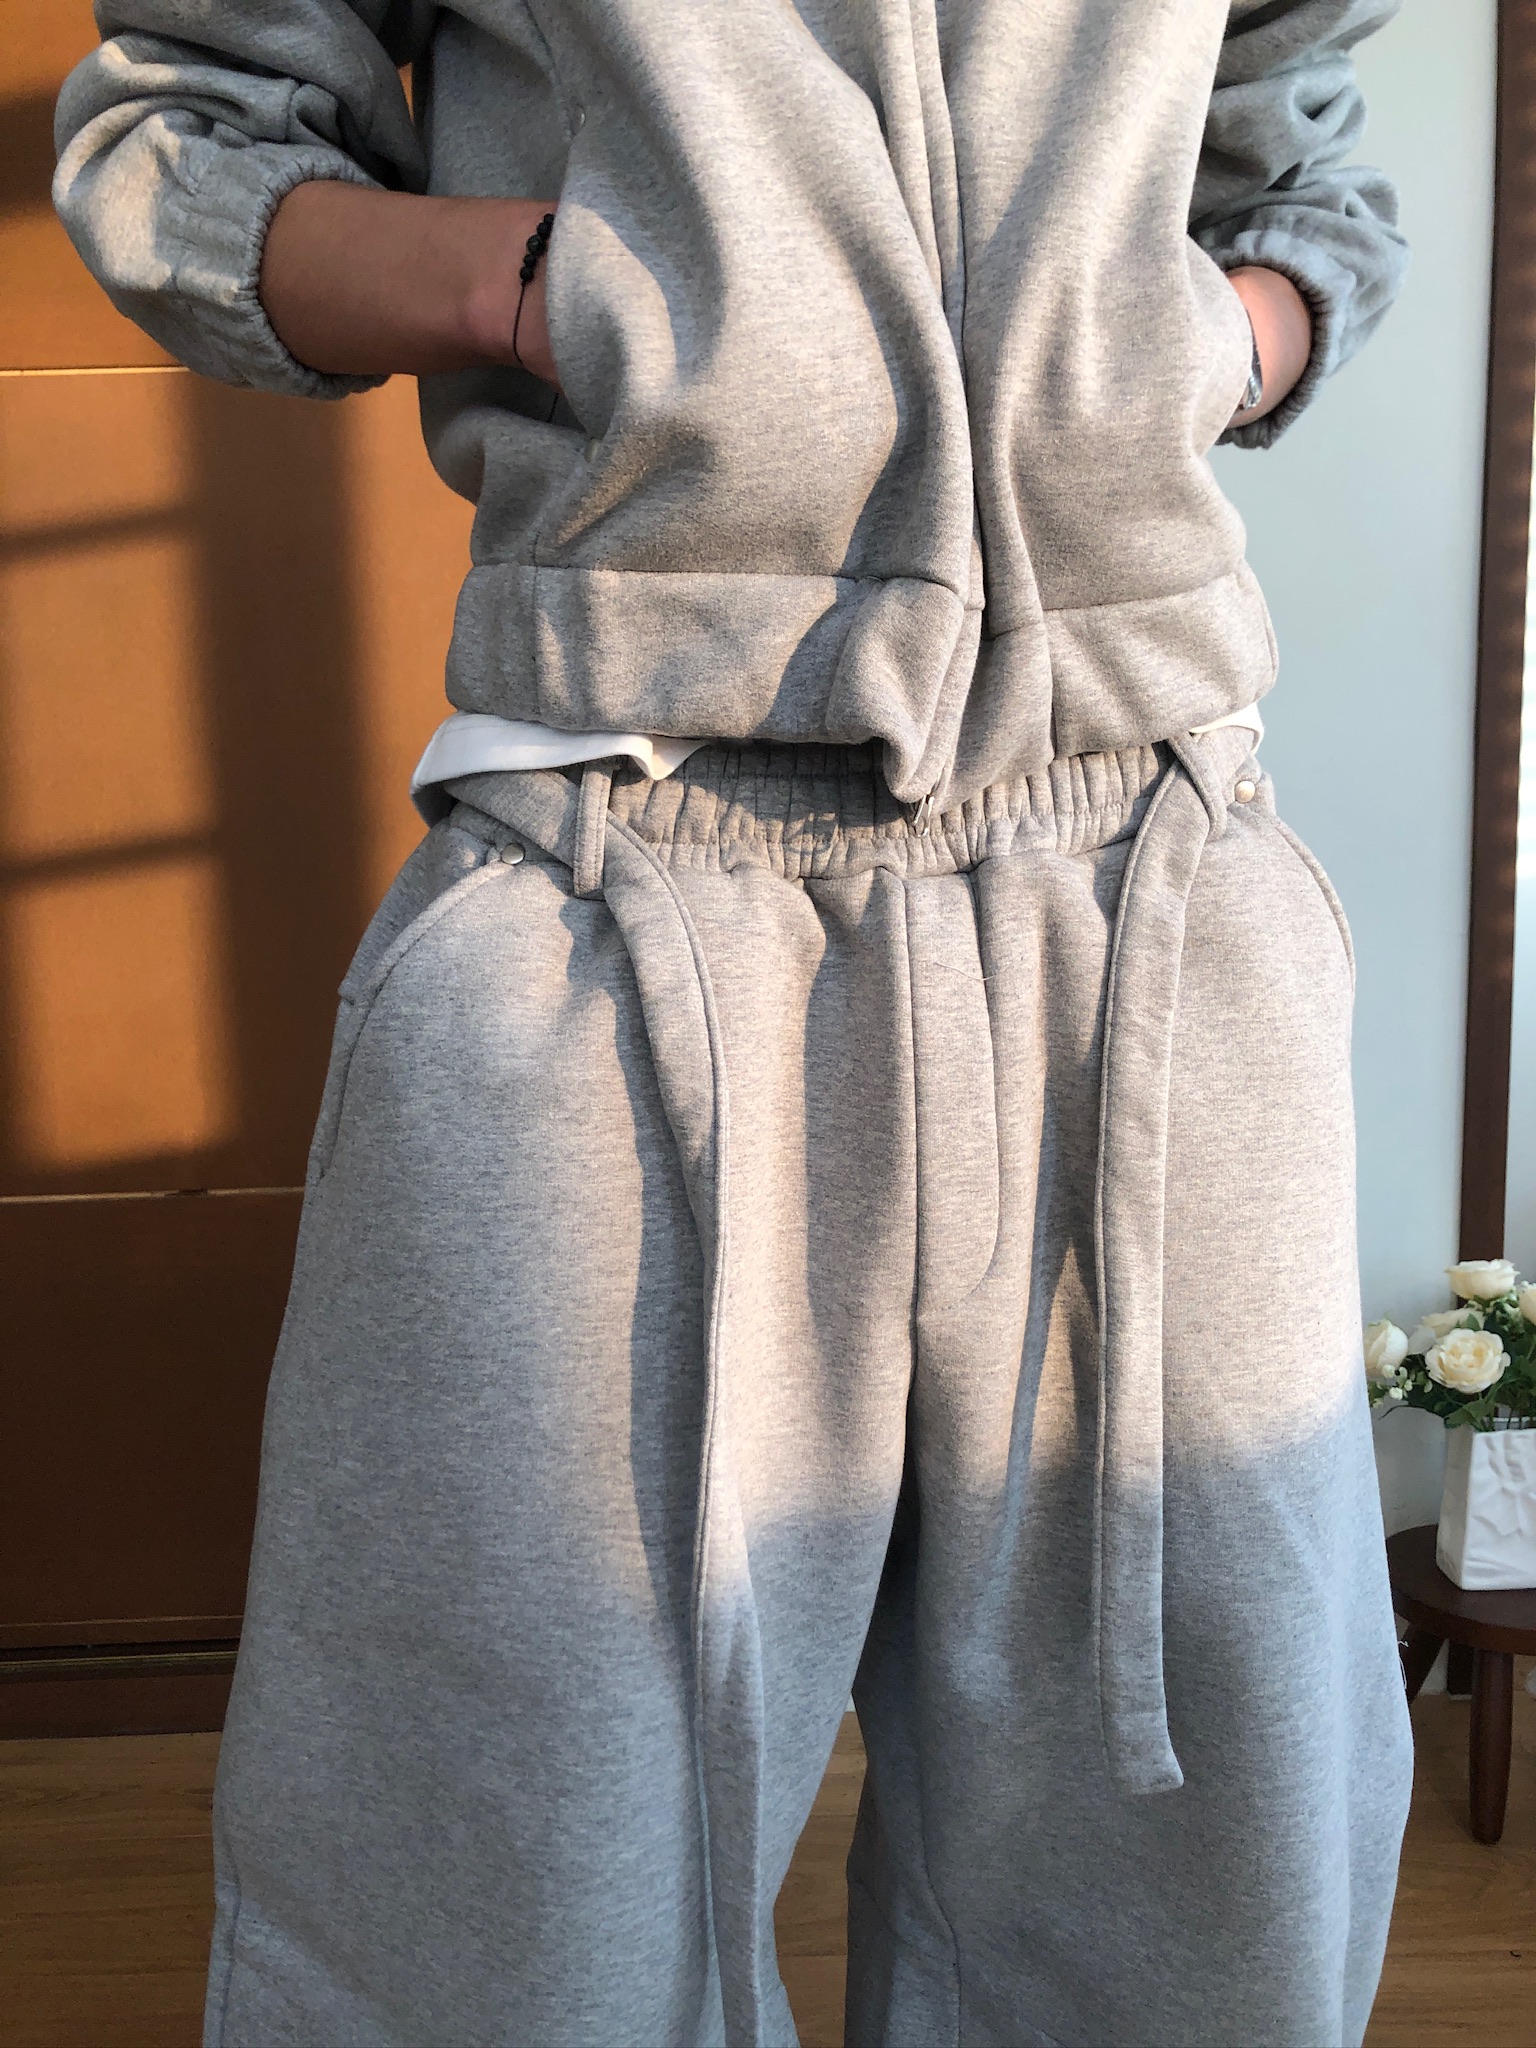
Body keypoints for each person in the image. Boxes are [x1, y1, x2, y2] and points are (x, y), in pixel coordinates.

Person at [55, 5, 1414, 2045]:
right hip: (617, 878)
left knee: (1200, 1902)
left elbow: (1296, 145)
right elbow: (183, 133)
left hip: (1146, 881)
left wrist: (1209, 341)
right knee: (510, 1918)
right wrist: (557, 289)